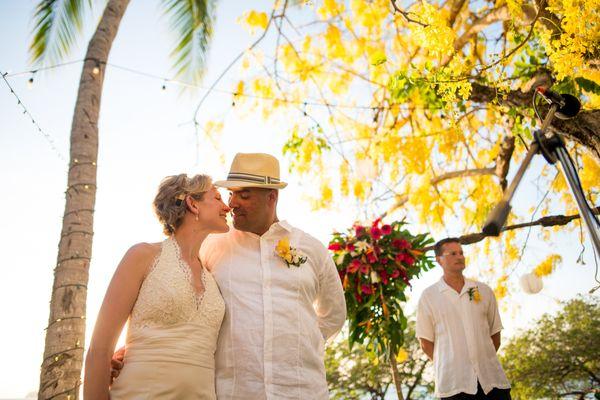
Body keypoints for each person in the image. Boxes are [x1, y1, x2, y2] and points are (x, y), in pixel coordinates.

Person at [112, 153, 347, 400]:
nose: (232, 203)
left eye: (243, 195)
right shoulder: (212, 243)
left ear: (271, 197)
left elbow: (334, 315)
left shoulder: (312, 248)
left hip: (303, 391)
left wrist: (301, 343)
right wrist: (139, 348)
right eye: (231, 194)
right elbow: (177, 291)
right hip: (234, 393)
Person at [84, 174, 231, 399]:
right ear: (193, 204)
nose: (227, 207)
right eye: (218, 197)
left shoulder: (213, 276)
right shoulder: (142, 256)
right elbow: (99, 350)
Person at [416, 237, 511, 400]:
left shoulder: (484, 290)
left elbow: (495, 334)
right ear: (439, 260)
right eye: (452, 253)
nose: (459, 257)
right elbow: (425, 343)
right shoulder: (428, 296)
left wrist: (480, 360)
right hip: (453, 386)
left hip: (492, 382)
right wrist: (451, 364)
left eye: (461, 253)